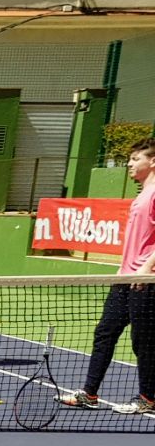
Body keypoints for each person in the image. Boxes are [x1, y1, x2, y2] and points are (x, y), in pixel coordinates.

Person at [61, 138, 155, 415]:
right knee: (105, 332)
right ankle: (89, 393)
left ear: (153, 162)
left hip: (145, 280)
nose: (130, 164)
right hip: (125, 278)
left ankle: (148, 398)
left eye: (136, 159)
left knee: (143, 341)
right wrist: (123, 268)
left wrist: (146, 268)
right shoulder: (142, 195)